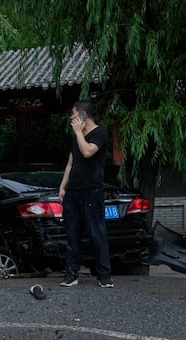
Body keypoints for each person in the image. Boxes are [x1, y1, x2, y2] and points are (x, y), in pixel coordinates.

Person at [58, 100, 113, 288]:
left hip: (92, 190)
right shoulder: (76, 137)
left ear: (82, 115)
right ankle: (71, 274)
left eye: (73, 114)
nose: (71, 118)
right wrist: (63, 186)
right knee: (72, 234)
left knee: (96, 233)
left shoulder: (100, 133)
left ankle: (104, 275)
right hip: (73, 191)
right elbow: (70, 163)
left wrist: (79, 133)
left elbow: (88, 151)